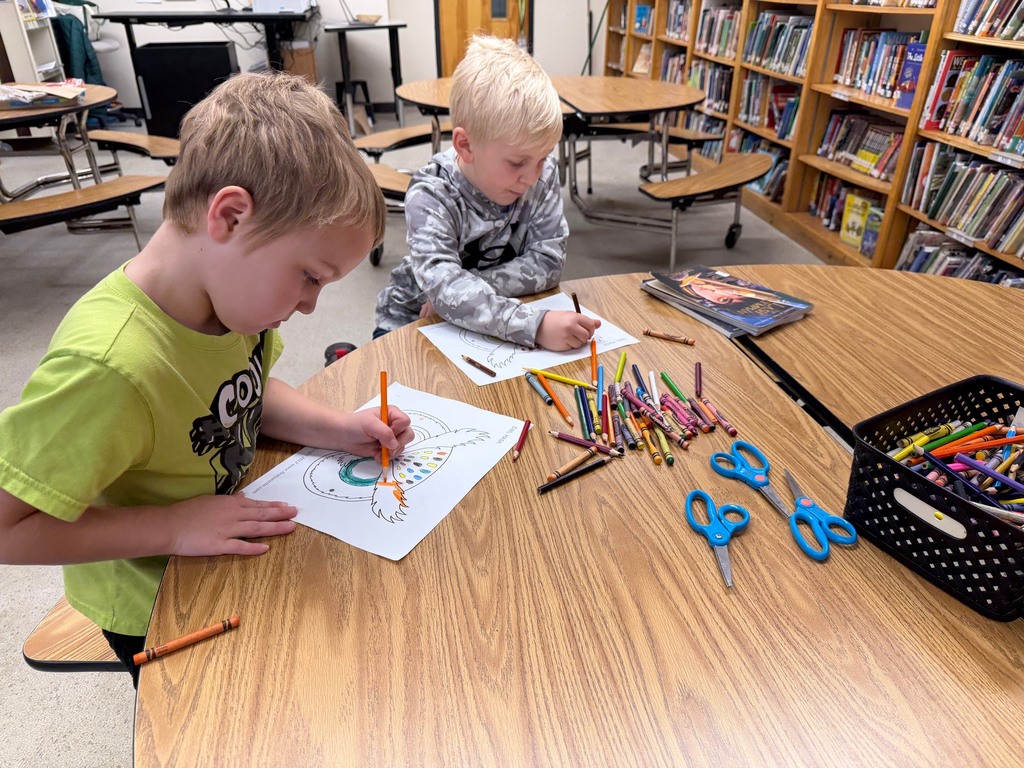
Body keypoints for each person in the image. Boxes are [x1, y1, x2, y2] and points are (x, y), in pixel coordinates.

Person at [0, 72, 414, 686]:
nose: (310, 307)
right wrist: (175, 525)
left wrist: (335, 428)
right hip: (157, 600)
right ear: (231, 215)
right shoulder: (110, 367)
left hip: (228, 541)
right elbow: (10, 530)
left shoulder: (230, 303)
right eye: (310, 276)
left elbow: (239, 393)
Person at [373, 35, 600, 350]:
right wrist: (533, 326)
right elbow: (442, 286)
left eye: (544, 157)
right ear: (466, 146)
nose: (533, 176)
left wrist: (463, 292)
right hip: (413, 321)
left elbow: (548, 261)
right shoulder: (432, 195)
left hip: (486, 318)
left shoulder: (541, 173)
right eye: (518, 162)